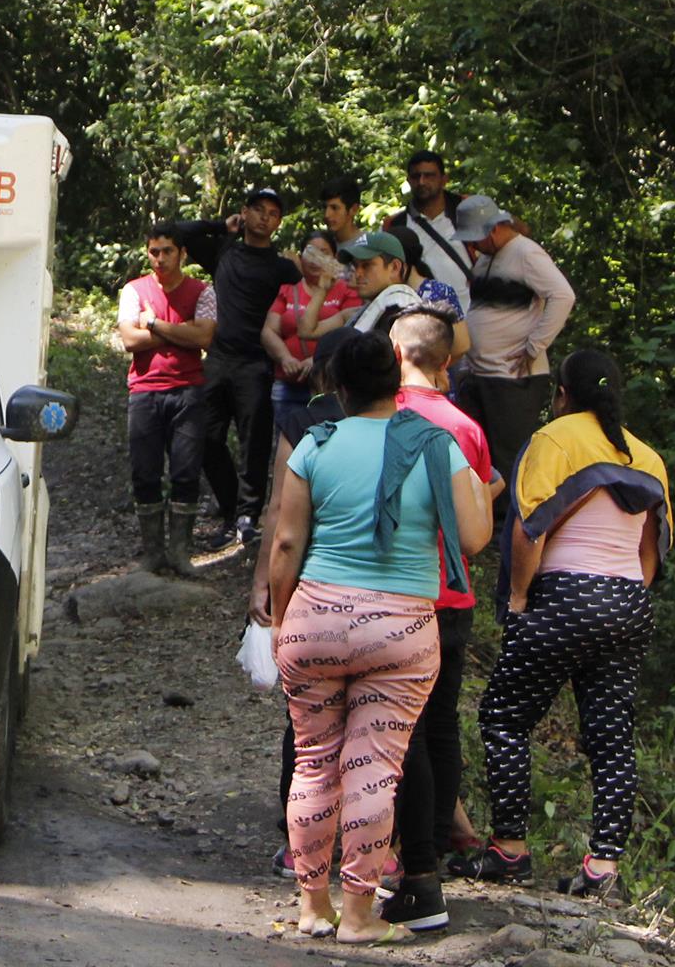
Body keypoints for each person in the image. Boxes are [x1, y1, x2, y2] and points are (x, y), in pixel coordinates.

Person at [269, 332, 491, 945]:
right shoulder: (435, 445)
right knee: (373, 771)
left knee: (314, 762)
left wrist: (283, 619)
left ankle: (314, 909)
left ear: (337, 386)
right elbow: (473, 539)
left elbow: (286, 543)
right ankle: (361, 916)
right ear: (397, 377)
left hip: (317, 618)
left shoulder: (316, 443)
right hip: (400, 629)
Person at [454, 350, 672, 901]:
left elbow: (530, 529)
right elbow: (652, 550)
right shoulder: (646, 455)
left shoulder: (553, 440)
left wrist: (523, 597)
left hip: (563, 595)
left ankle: (508, 850)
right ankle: (603, 867)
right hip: (627, 600)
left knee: (505, 716)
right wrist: (623, 596)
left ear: (563, 395)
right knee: (611, 735)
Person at [380, 309, 501, 932]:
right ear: (447, 360)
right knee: (443, 724)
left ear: (396, 353)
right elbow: (476, 516)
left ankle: (408, 856)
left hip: (401, 594)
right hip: (454, 597)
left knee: (405, 734)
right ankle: (435, 845)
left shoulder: (382, 416)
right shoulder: (465, 427)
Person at [249, 324, 360, 883]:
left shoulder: (302, 424)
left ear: (321, 371)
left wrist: (266, 589)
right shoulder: (400, 427)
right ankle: (372, 853)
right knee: (371, 728)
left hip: (312, 590)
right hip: (384, 596)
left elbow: (279, 516)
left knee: (308, 725)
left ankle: (300, 845)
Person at [181, 188, 302, 548]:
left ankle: (248, 517)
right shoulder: (224, 250)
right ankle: (231, 508)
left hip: (256, 364)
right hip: (217, 359)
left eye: (273, 213)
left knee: (254, 444)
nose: (265, 218)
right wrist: (221, 225)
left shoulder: (283, 268)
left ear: (279, 222)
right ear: (244, 212)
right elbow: (178, 233)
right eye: (258, 210)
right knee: (206, 438)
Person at [453, 194, 576, 496]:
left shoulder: (525, 253)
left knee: (509, 458)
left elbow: (563, 296)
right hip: (480, 374)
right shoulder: (486, 258)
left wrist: (535, 346)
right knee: (480, 456)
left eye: (475, 239)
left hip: (513, 378)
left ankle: (508, 529)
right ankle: (485, 523)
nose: (472, 246)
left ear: (493, 231)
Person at [118, 223, 219, 576]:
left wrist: (156, 325)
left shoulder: (201, 291)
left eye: (167, 251)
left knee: (186, 472)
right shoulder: (134, 290)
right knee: (144, 473)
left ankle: (180, 553)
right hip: (145, 391)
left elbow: (205, 336)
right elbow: (130, 339)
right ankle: (152, 553)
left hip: (188, 390)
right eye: (154, 252)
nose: (160, 259)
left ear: (182, 253)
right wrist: (181, 332)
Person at [261, 232, 360, 435]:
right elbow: (269, 330)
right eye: (311, 252)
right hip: (289, 383)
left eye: (323, 252)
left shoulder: (347, 290)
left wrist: (316, 360)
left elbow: (350, 332)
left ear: (334, 256)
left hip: (329, 383)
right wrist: (285, 358)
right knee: (288, 438)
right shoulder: (288, 291)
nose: (316, 259)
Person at [386, 151, 474, 312]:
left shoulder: (467, 210)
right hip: (423, 318)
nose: (422, 182)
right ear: (408, 180)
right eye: (416, 176)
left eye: (429, 176)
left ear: (444, 180)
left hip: (473, 313)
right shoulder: (394, 225)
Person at [297, 231, 420, 340]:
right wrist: (322, 290)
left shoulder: (402, 305)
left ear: (394, 267)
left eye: (366, 265)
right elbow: (306, 331)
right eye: (356, 266)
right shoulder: (358, 312)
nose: (357, 273)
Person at [382, 225, 470, 364]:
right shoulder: (383, 295)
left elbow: (461, 345)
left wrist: (431, 370)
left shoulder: (439, 292)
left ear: (398, 264)